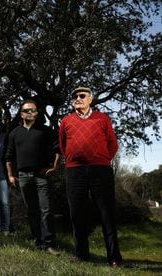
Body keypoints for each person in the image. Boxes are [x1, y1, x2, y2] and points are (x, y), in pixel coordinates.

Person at [59, 87, 122, 266]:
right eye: (74, 96)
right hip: (75, 172)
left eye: (82, 96)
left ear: (90, 99)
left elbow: (112, 144)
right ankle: (81, 255)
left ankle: (114, 257)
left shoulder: (102, 118)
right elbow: (63, 146)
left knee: (107, 213)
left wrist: (101, 159)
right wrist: (74, 159)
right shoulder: (66, 120)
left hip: (100, 171)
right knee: (77, 214)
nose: (77, 98)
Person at [5, 99, 61, 255]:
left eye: (33, 110)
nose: (30, 113)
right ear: (21, 114)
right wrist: (10, 175)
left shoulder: (46, 131)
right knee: (32, 211)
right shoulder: (14, 133)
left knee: (47, 209)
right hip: (23, 177)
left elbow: (58, 148)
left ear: (37, 113)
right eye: (27, 110)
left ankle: (49, 244)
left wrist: (55, 166)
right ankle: (38, 242)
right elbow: (9, 156)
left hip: (42, 175)